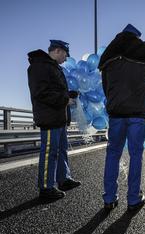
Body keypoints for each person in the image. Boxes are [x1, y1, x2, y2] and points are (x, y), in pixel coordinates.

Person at [99, 24, 145, 211]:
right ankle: (133, 198)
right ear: (136, 37)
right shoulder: (143, 49)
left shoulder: (108, 53)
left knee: (113, 154)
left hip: (116, 113)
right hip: (136, 114)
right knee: (135, 155)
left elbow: (106, 87)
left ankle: (109, 198)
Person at [27, 40, 81, 200]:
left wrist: (69, 94)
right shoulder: (40, 66)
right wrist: (65, 99)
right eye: (65, 54)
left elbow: (54, 90)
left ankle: (63, 179)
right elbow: (41, 93)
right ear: (58, 51)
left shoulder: (52, 67)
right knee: (50, 152)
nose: (66, 58)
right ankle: (46, 188)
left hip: (59, 116)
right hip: (49, 117)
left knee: (62, 150)